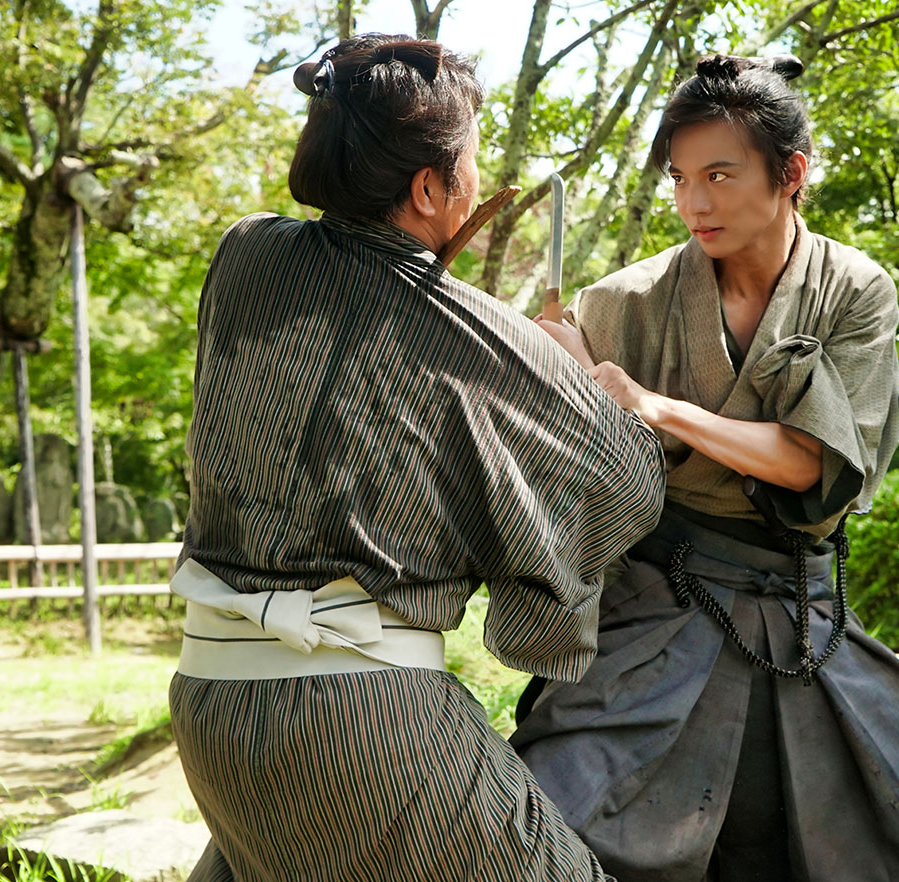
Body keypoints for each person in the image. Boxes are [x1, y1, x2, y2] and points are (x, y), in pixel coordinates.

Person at [169, 34, 665, 882]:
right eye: (469, 162)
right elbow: (626, 482)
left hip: (208, 700)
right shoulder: (484, 335)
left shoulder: (245, 253)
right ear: (431, 187)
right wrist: (582, 375)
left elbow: (363, 353)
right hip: (359, 717)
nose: (476, 179)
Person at [513, 54, 899, 882]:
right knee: (551, 826)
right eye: (680, 179)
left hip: (802, 605)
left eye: (720, 175)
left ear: (792, 174)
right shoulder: (620, 303)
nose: (694, 204)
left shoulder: (854, 289)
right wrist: (560, 378)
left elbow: (808, 463)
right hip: (659, 599)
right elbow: (568, 476)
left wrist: (651, 404)